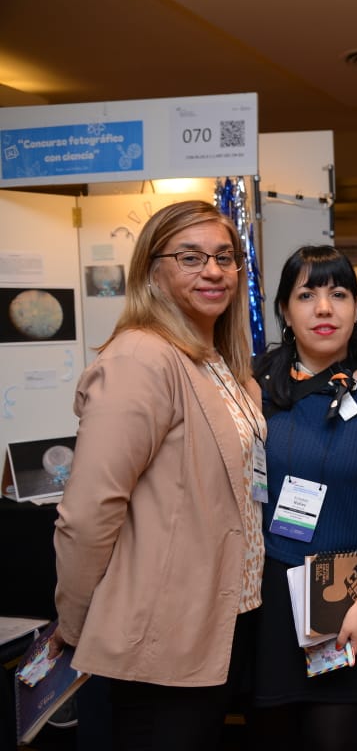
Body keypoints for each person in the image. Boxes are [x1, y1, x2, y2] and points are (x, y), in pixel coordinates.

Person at [51, 200, 263, 750]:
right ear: (153, 269)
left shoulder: (216, 360)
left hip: (215, 624)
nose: (213, 271)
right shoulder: (141, 358)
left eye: (224, 257)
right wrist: (74, 626)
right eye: (190, 258)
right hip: (156, 639)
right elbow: (89, 511)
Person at [250, 246, 357, 751]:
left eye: (338, 294)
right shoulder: (254, 386)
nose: (324, 309)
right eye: (307, 295)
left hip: (343, 598)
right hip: (266, 598)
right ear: (285, 309)